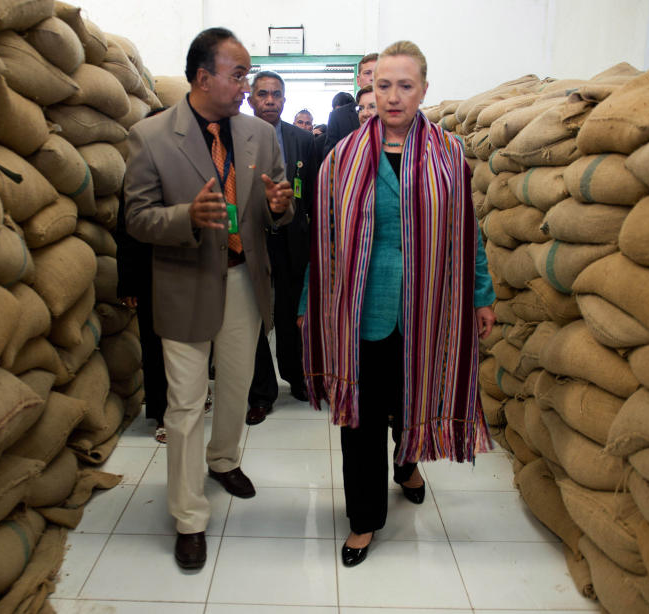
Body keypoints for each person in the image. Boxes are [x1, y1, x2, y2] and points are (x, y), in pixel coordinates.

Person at [300, 41, 496, 568]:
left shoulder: (450, 154)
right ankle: (363, 518)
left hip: (430, 310)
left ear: (423, 90)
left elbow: (467, 234)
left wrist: (481, 294)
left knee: (413, 399)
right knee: (361, 416)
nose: (392, 96)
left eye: (404, 86)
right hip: (361, 310)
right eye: (382, 85)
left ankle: (407, 465)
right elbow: (325, 240)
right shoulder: (341, 158)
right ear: (371, 88)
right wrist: (308, 302)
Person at [123, 27, 294, 570]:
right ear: (203, 77)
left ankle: (224, 460)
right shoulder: (150, 136)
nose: (247, 85)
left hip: (245, 278)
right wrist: (185, 218)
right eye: (238, 74)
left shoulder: (259, 136)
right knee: (185, 402)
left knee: (238, 385)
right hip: (184, 282)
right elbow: (136, 218)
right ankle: (188, 516)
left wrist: (279, 205)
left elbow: (276, 209)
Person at [245, 71, 319, 425]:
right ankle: (261, 393)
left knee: (292, 314)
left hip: (293, 239)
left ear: (284, 101)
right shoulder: (236, 137)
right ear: (251, 100)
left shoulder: (302, 140)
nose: (270, 100)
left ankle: (298, 378)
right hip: (252, 240)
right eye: (263, 94)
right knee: (255, 316)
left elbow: (314, 192)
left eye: (276, 94)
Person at [116, 107, 171, 444]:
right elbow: (126, 230)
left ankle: (189, 400)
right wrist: (129, 281)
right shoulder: (137, 173)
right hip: (151, 271)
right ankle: (163, 413)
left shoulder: (195, 167)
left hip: (190, 272)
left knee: (190, 342)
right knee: (154, 342)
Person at [323, 52, 378, 156]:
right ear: (358, 80)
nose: (373, 78)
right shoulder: (338, 117)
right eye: (367, 73)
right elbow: (330, 160)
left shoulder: (397, 114)